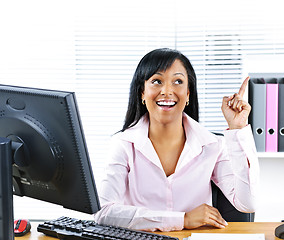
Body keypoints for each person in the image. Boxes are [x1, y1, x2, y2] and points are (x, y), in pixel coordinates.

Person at [94, 48, 259, 232]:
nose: (167, 91)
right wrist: (182, 219)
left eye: (178, 81)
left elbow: (247, 203)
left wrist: (238, 129)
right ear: (142, 92)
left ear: (188, 94)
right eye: (156, 81)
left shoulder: (213, 145)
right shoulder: (123, 144)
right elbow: (104, 212)